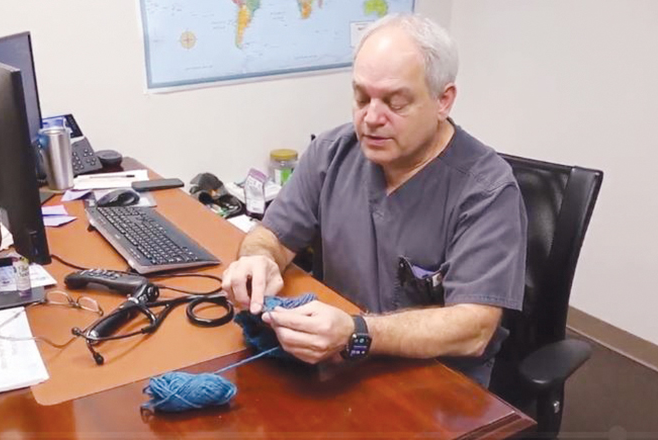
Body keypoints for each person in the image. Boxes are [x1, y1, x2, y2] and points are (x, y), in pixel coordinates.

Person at [221, 13, 527, 387]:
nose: (371, 118)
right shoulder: (332, 153)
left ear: (443, 100)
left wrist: (357, 332)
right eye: (361, 97)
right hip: (340, 366)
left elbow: (474, 327)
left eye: (395, 103)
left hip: (437, 383)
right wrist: (258, 259)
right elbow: (272, 235)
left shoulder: (486, 189)